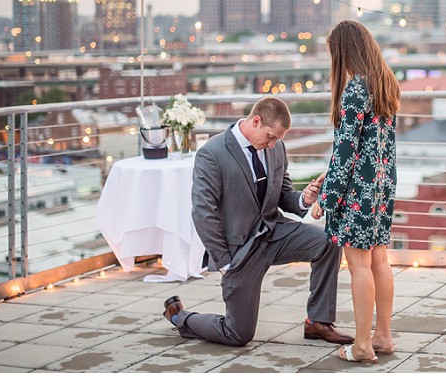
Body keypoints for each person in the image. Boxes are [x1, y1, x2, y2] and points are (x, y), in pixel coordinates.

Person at [162, 97, 354, 347]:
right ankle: (180, 317)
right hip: (240, 250)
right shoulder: (212, 153)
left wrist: (304, 199)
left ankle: (317, 322)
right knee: (238, 334)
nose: (273, 144)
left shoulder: (276, 148)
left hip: (276, 233)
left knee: (328, 241)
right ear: (255, 121)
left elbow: (284, 195)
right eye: (271, 136)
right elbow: (203, 212)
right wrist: (226, 261)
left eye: (278, 140)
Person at [311, 20, 401, 364]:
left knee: (359, 264)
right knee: (380, 260)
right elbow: (374, 146)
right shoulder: (385, 84)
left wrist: (326, 198)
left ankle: (362, 345)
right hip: (380, 186)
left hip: (357, 192)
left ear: (345, 51)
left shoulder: (355, 90)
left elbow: (346, 150)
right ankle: (383, 336)